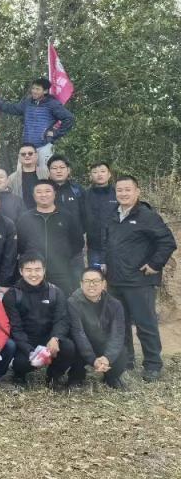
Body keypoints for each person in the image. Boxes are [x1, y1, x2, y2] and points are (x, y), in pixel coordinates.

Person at [101, 175, 177, 382]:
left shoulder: (147, 216)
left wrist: (154, 264)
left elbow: (167, 242)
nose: (123, 193)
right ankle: (126, 360)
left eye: (128, 189)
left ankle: (152, 365)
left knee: (145, 324)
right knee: (121, 324)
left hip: (139, 281)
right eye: (119, 190)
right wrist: (106, 264)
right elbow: (107, 242)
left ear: (137, 191)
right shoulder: (113, 214)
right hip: (115, 280)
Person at [2, 253, 81, 388]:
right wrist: (30, 351)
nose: (33, 274)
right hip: (26, 341)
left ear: (44, 270)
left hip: (48, 339)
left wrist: (55, 338)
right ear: (21, 271)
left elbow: (62, 319)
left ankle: (53, 376)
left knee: (68, 347)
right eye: (28, 270)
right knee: (22, 363)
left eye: (37, 270)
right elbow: (15, 328)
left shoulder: (56, 292)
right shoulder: (12, 295)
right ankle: (19, 375)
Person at [16, 181, 85, 295]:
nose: (43, 195)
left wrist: (63, 257)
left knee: (62, 301)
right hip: (34, 273)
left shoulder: (67, 216)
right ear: (33, 195)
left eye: (47, 191)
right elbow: (20, 245)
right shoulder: (25, 218)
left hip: (62, 272)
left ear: (54, 194)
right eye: (39, 192)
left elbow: (77, 243)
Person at [0, 77, 75, 168]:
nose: (34, 91)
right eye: (33, 88)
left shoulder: (52, 104)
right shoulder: (27, 103)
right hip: (27, 148)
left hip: (44, 147)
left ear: (45, 91)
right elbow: (11, 108)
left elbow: (69, 118)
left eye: (37, 89)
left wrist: (56, 133)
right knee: (22, 174)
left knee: (44, 174)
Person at [68, 268, 128, 389]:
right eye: (87, 281)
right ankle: (76, 376)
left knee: (122, 350)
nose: (91, 285)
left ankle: (111, 377)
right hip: (82, 343)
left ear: (103, 283)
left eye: (96, 281)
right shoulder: (73, 302)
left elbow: (117, 334)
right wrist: (92, 360)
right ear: (81, 284)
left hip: (103, 343)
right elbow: (78, 333)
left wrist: (107, 357)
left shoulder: (115, 304)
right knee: (71, 345)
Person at [84, 161, 117, 266]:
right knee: (95, 274)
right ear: (91, 175)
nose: (99, 174)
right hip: (94, 246)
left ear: (109, 174)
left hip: (116, 245)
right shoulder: (85, 195)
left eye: (103, 171)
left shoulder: (117, 193)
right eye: (95, 172)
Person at [47, 155, 86, 235]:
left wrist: (82, 232)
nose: (58, 171)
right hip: (51, 237)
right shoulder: (44, 191)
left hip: (75, 237)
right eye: (54, 168)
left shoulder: (77, 190)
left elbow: (85, 214)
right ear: (49, 172)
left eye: (62, 167)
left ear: (68, 170)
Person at [8, 144, 48, 211]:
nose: (27, 156)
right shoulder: (11, 178)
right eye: (23, 154)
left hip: (44, 213)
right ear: (19, 157)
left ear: (36, 156)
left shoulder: (46, 174)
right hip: (21, 215)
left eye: (30, 153)